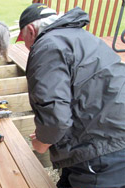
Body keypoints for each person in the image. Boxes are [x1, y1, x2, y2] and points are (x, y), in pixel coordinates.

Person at [17, 3, 125, 187]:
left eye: (24, 41)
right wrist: (49, 133)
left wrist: (43, 142)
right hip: (110, 132)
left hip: (104, 150)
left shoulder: (47, 46)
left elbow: (55, 118)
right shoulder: (80, 37)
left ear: (30, 30)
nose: (27, 48)